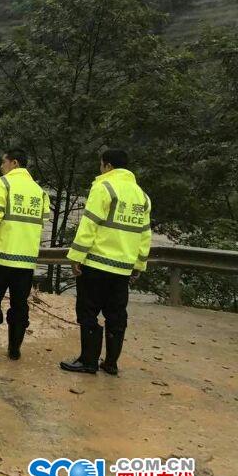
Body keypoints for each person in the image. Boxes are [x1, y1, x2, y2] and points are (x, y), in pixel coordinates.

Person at [60, 149, 151, 375]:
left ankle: (88, 361)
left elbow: (89, 225)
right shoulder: (142, 196)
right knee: (116, 315)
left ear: (108, 166)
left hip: (97, 264)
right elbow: (145, 234)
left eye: (101, 165)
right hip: (122, 268)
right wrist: (139, 265)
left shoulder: (104, 187)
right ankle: (111, 363)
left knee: (88, 311)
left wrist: (76, 257)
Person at [0, 149, 51, 361]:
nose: (1, 166)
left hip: (0, 257)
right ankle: (14, 351)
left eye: (3, 162)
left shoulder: (1, 184)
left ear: (14, 163)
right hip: (25, 261)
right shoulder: (39, 192)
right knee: (20, 305)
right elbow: (44, 220)